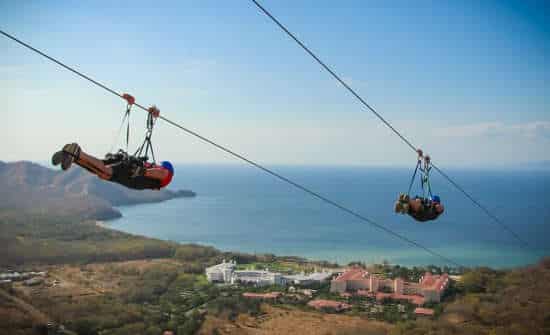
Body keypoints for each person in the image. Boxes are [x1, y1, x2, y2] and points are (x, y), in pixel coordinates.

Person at [51, 143, 173, 190]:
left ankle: (75, 157)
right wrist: (143, 172)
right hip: (131, 170)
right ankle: (77, 153)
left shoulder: (156, 178)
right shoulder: (166, 174)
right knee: (106, 172)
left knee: (102, 172)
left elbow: (158, 172)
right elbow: (162, 173)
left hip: (129, 168)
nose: (158, 165)